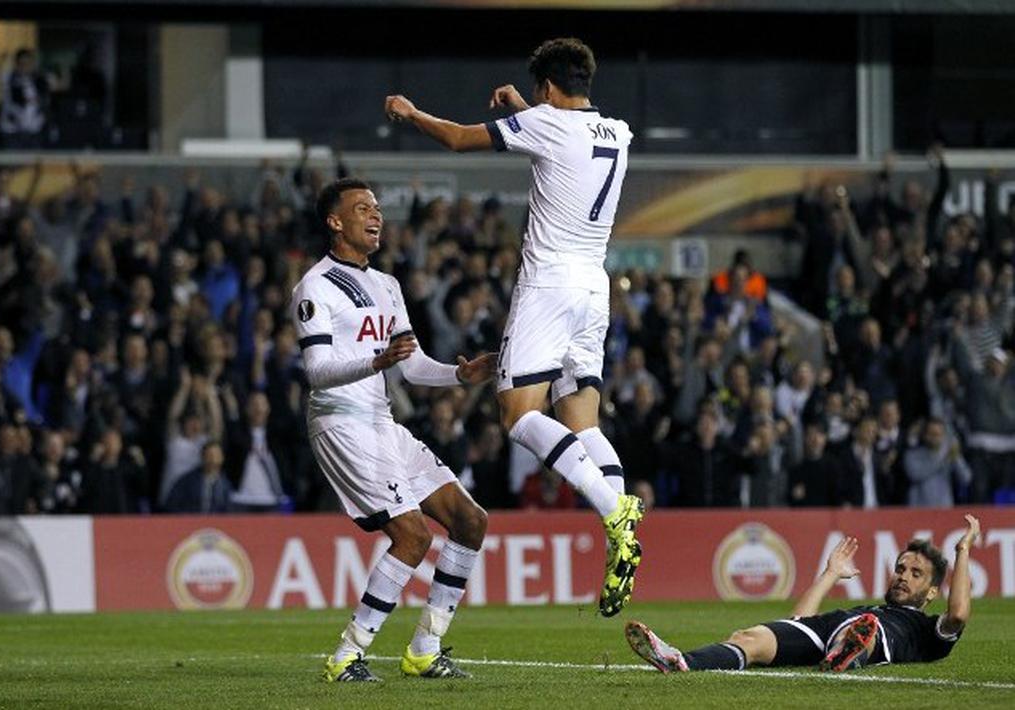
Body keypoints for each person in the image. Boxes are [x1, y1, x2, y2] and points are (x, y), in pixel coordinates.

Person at [384, 36, 643, 617]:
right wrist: (527, 109)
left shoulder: (547, 123)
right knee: (582, 420)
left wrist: (412, 112)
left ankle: (616, 511)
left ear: (547, 88)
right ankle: (621, 527)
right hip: (594, 287)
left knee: (519, 414)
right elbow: (567, 138)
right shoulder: (617, 132)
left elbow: (458, 138)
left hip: (548, 284)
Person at [292, 178, 494, 682]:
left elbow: (412, 365)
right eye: (362, 208)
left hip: (381, 421)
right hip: (340, 421)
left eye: (377, 208)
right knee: (412, 535)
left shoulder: (387, 285)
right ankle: (347, 655)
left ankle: (426, 648)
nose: (376, 215)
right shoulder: (314, 287)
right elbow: (316, 371)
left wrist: (460, 375)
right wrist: (375, 361)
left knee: (470, 520)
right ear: (335, 222)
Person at [626, 515, 980, 673]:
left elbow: (959, 614)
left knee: (864, 629)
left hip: (874, 635)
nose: (903, 577)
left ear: (932, 592)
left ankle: (850, 650)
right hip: (829, 628)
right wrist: (830, 574)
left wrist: (963, 550)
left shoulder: (926, 631)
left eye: (916, 574)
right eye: (901, 568)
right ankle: (681, 661)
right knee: (748, 637)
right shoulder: (868, 607)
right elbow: (799, 621)